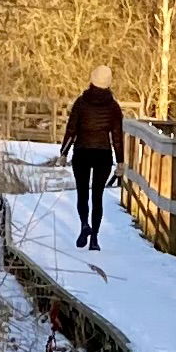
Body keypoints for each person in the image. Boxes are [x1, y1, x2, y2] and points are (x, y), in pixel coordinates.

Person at [59, 65, 124, 251]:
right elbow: (117, 137)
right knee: (97, 196)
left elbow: (71, 130)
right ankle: (94, 238)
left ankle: (84, 225)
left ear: (92, 79)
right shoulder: (113, 107)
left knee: (82, 193)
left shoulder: (81, 102)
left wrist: (64, 152)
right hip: (103, 153)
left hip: (82, 152)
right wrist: (120, 161)